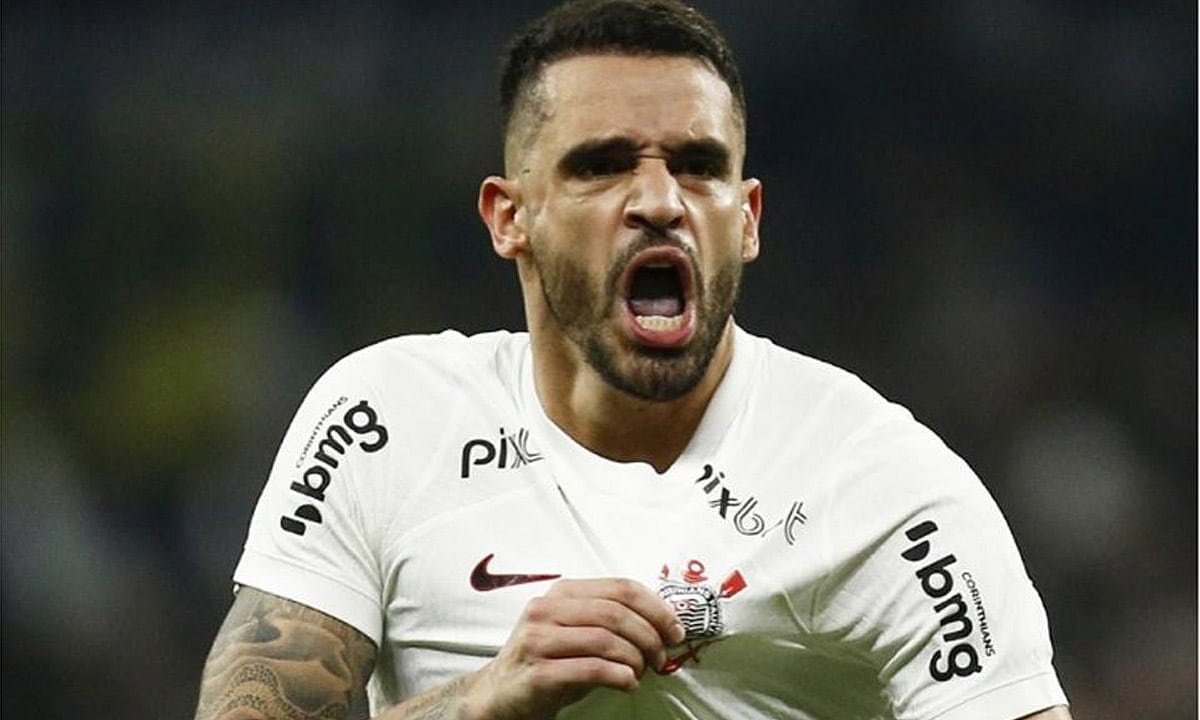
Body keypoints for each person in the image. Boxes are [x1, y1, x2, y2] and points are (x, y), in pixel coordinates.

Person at [193, 1, 1073, 718]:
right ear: (511, 217)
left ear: (748, 217)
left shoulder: (881, 485)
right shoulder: (385, 418)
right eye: (602, 166)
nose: (658, 200)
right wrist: (480, 704)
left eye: (698, 167)